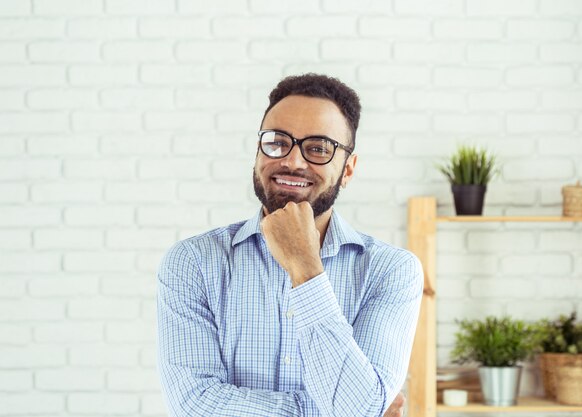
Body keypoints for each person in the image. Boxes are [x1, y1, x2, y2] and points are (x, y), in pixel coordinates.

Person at [157, 73, 423, 417]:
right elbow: (193, 405)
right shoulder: (192, 262)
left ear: (348, 170)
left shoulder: (392, 271)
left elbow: (359, 409)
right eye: (277, 141)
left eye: (318, 149)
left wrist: (305, 267)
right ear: (257, 152)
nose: (293, 161)